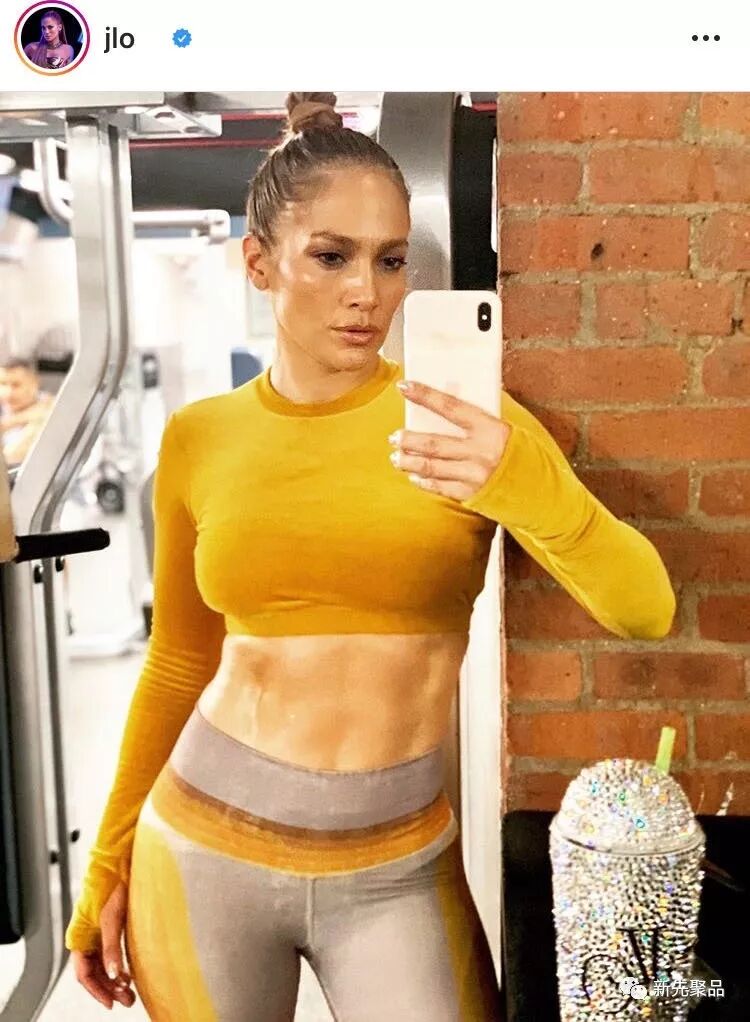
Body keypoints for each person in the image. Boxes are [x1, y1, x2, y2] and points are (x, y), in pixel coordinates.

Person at [65, 92, 676, 1019]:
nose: (369, 292)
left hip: (398, 871)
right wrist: (105, 866)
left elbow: (645, 609)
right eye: (332, 256)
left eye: (391, 260)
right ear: (260, 263)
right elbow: (180, 660)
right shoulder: (199, 438)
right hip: (200, 851)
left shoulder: (467, 425)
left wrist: (521, 485)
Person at [0, 357, 55, 468]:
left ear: (34, 383)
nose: (8, 392)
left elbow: (11, 457)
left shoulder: (54, 410)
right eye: (3, 384)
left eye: (16, 385)